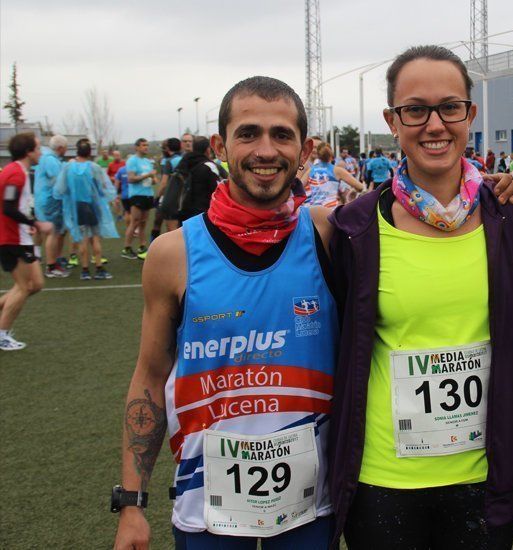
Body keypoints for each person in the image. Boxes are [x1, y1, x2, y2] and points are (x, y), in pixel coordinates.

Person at [112, 76, 340, 550]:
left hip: (311, 506)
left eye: (282, 135)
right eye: (248, 133)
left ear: (305, 149)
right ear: (220, 144)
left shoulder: (330, 234)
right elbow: (151, 376)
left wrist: (500, 188)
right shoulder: (171, 254)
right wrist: (132, 501)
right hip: (205, 508)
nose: (265, 150)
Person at [326, 44, 513, 550]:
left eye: (450, 107)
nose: (434, 124)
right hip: (383, 481)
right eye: (415, 110)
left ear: (470, 114)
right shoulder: (353, 229)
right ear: (392, 121)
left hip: (484, 478)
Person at [0, 133, 53, 351]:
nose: (40, 153)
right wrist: (36, 222)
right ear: (28, 152)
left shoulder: (20, 171)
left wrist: (28, 223)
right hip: (11, 238)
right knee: (23, 287)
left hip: (20, 236)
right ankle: (2, 335)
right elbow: (8, 207)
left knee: (35, 285)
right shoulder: (15, 173)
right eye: (38, 149)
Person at [54, 139, 117, 280]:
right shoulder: (94, 167)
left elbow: (60, 189)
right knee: (95, 237)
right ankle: (99, 268)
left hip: (77, 207)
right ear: (89, 153)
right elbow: (102, 186)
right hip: (92, 206)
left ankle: (85, 270)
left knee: (82, 238)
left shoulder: (68, 168)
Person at [34, 134, 70, 277]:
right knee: (53, 232)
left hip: (45, 200)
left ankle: (55, 260)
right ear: (61, 148)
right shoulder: (50, 160)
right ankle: (51, 266)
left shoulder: (48, 158)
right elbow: (60, 182)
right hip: (49, 201)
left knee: (57, 232)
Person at [122, 138, 157, 260]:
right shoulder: (132, 160)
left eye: (147, 145)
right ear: (136, 147)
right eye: (143, 145)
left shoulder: (148, 161)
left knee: (143, 223)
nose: (146, 147)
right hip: (137, 195)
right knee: (135, 221)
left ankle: (142, 247)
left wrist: (153, 179)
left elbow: (153, 180)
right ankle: (126, 248)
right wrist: (148, 175)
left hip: (148, 194)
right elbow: (131, 179)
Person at [176, 136, 223, 222]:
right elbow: (218, 189)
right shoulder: (209, 165)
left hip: (185, 211)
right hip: (204, 213)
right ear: (207, 149)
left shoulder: (185, 162)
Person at [305, 143, 363, 208]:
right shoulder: (337, 170)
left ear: (318, 155)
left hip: (313, 210)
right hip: (331, 210)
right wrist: (353, 192)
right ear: (331, 155)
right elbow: (360, 187)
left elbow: (298, 186)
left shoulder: (311, 170)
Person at [155, 137, 185, 237]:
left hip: (171, 198)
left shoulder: (169, 161)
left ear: (167, 148)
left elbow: (164, 183)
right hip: (185, 197)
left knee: (169, 230)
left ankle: (154, 247)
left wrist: (158, 197)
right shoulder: (186, 158)